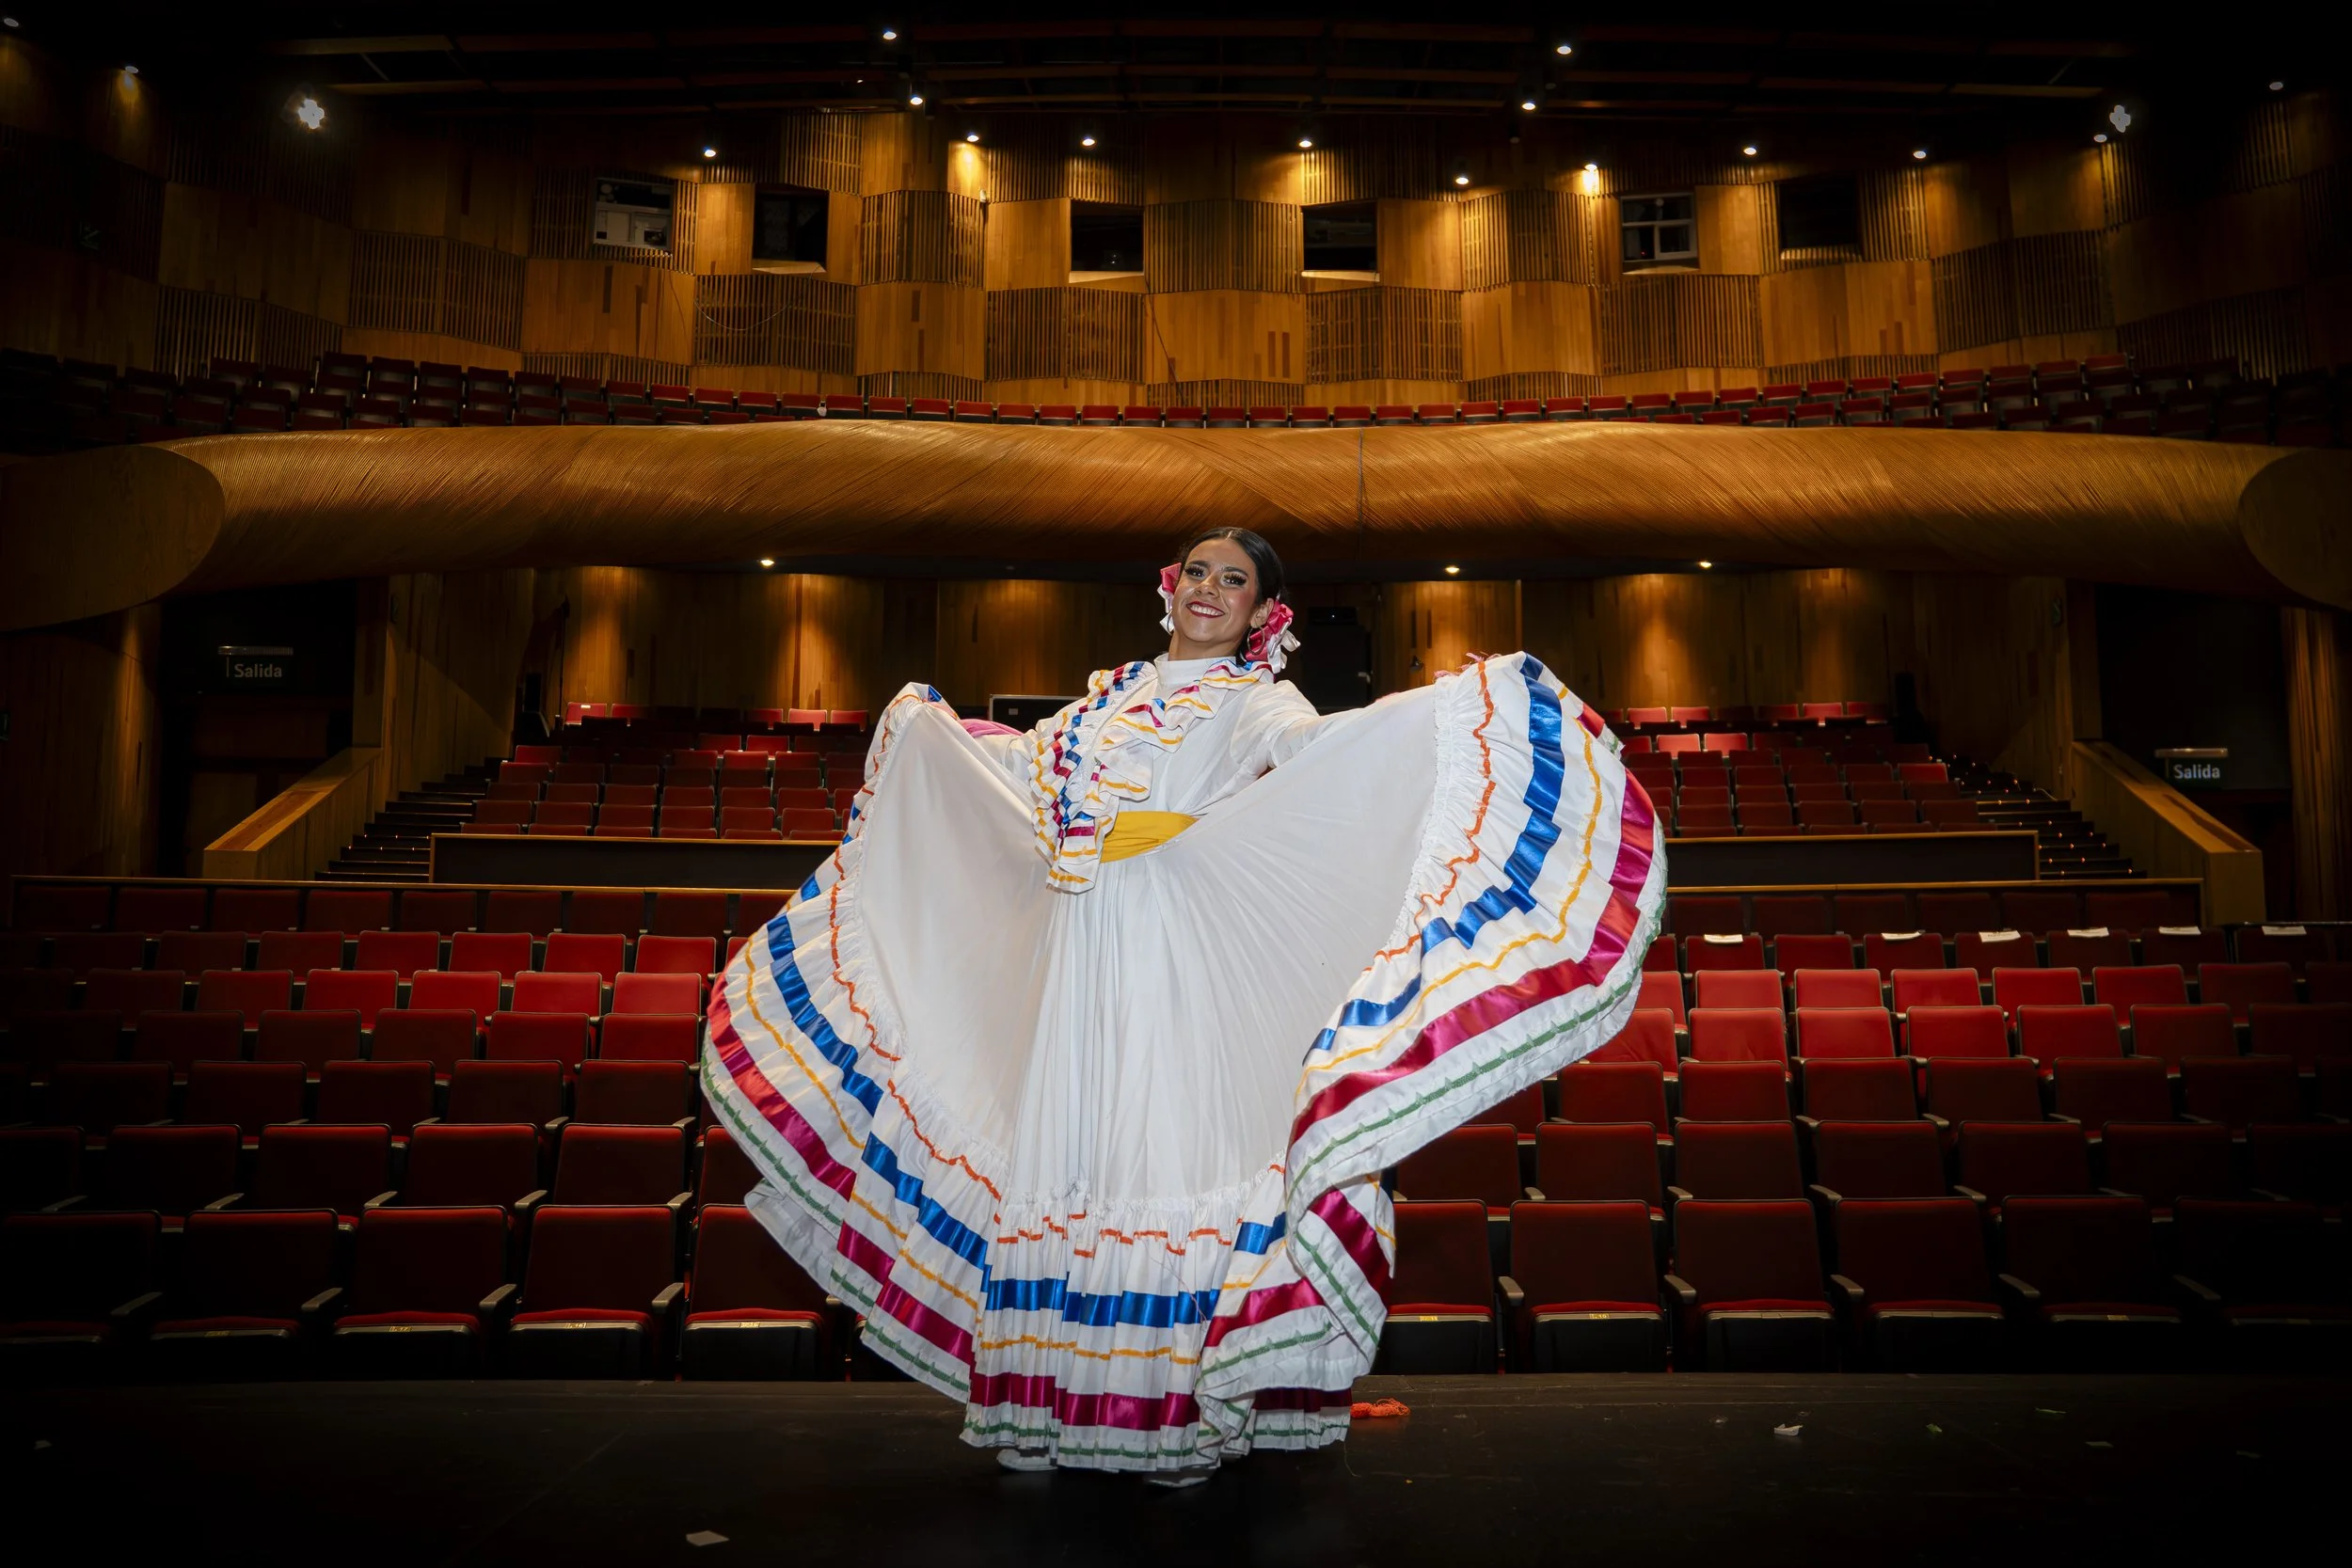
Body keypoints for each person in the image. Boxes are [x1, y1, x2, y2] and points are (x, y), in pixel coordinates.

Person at [704, 528, 1664, 1482]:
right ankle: (1042, 1409)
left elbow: (1311, 747)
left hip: (1167, 940)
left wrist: (1441, 716)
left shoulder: (1256, 698)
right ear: (1170, 587)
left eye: (1233, 579)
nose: (1210, 588)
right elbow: (1024, 776)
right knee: (1069, 1149)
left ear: (1261, 611)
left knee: (1154, 1149)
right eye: (1197, 571)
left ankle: (1166, 1418)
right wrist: (938, 736)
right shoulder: (1110, 691)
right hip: (1075, 940)